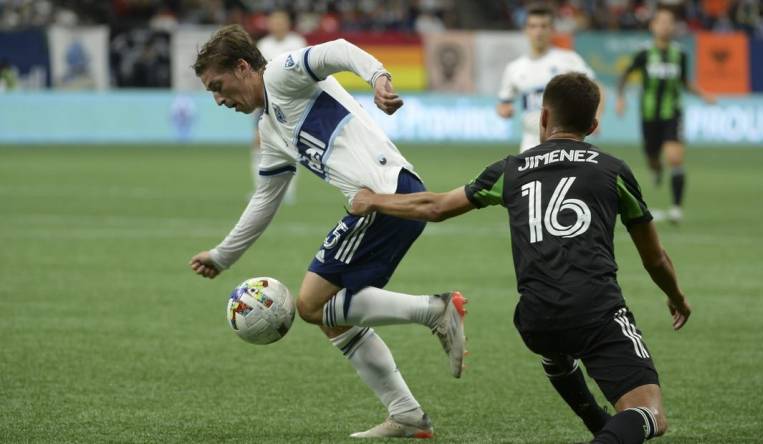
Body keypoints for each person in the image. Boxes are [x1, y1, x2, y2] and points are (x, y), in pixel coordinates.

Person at [351, 72, 692, 444]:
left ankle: (598, 424)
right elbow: (654, 258)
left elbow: (435, 207)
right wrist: (676, 297)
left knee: (555, 348)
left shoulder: (510, 170)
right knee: (649, 415)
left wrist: (373, 200)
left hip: (536, 317)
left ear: (543, 118)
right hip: (595, 309)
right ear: (593, 125)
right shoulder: (613, 171)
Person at [187, 25, 467, 439]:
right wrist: (223, 255)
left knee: (312, 304)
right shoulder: (270, 129)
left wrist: (379, 78)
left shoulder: (282, 74)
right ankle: (406, 413)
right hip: (375, 203)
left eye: (218, 85)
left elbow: (335, 50)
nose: (218, 99)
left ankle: (435, 311)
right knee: (329, 315)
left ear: (243, 67)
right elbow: (266, 199)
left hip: (383, 197)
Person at [616, 6, 715, 224]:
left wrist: (703, 94)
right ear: (653, 26)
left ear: (673, 27)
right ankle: (656, 170)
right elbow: (626, 74)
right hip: (649, 115)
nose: (665, 26)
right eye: (660, 22)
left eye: (669, 22)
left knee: (675, 158)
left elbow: (684, 82)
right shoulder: (644, 53)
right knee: (653, 159)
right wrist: (621, 98)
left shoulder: (679, 54)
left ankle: (676, 207)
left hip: (672, 113)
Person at [497, 3, 598, 152]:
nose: (538, 31)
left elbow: (595, 88)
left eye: (543, 26)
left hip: (565, 142)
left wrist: (596, 116)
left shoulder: (568, 60)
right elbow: (504, 103)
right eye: (533, 26)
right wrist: (504, 110)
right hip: (530, 143)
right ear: (526, 30)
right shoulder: (514, 68)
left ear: (552, 30)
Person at [251, 10, 307, 204]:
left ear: (288, 23)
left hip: (292, 101)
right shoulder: (263, 45)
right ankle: (261, 190)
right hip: (266, 100)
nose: (277, 25)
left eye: (281, 21)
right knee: (259, 142)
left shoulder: (297, 43)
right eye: (274, 22)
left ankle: (288, 191)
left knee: (291, 145)